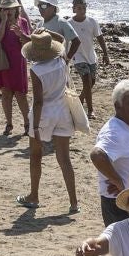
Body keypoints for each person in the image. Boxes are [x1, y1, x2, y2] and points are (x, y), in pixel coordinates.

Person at [19, 31, 79, 214]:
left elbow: (38, 102)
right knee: (64, 159)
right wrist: (46, 31)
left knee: (36, 155)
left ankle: (34, 196)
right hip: (62, 111)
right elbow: (61, 38)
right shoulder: (61, 60)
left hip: (44, 114)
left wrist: (35, 126)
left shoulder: (36, 70)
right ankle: (74, 202)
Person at [91, 81, 129, 223]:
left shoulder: (126, 126)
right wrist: (119, 183)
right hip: (119, 204)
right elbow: (97, 155)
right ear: (118, 106)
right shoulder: (114, 132)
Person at [0, 0, 32, 137]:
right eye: (5, 9)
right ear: (1, 10)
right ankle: (9, 123)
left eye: (11, 8)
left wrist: (20, 34)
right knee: (6, 93)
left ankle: (27, 123)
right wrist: (3, 22)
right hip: (3, 61)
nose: (9, 11)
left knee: (21, 94)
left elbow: (28, 42)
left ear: (16, 9)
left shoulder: (23, 22)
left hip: (18, 61)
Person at [66, 0, 106, 119]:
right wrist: (66, 57)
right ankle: (90, 111)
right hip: (77, 56)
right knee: (86, 80)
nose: (82, 10)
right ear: (74, 9)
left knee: (91, 82)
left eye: (84, 8)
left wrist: (106, 53)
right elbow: (65, 41)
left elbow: (100, 38)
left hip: (91, 56)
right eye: (79, 8)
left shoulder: (92, 22)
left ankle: (80, 99)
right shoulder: (69, 24)